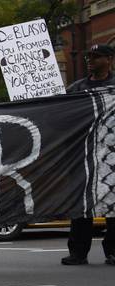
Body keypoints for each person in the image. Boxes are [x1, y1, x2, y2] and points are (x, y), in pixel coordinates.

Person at [62, 44, 115, 266]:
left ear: (110, 59)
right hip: (84, 154)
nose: (89, 61)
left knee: (113, 203)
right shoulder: (77, 89)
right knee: (81, 203)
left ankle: (113, 251)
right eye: (88, 57)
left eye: (96, 57)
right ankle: (78, 252)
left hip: (112, 155)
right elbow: (61, 116)